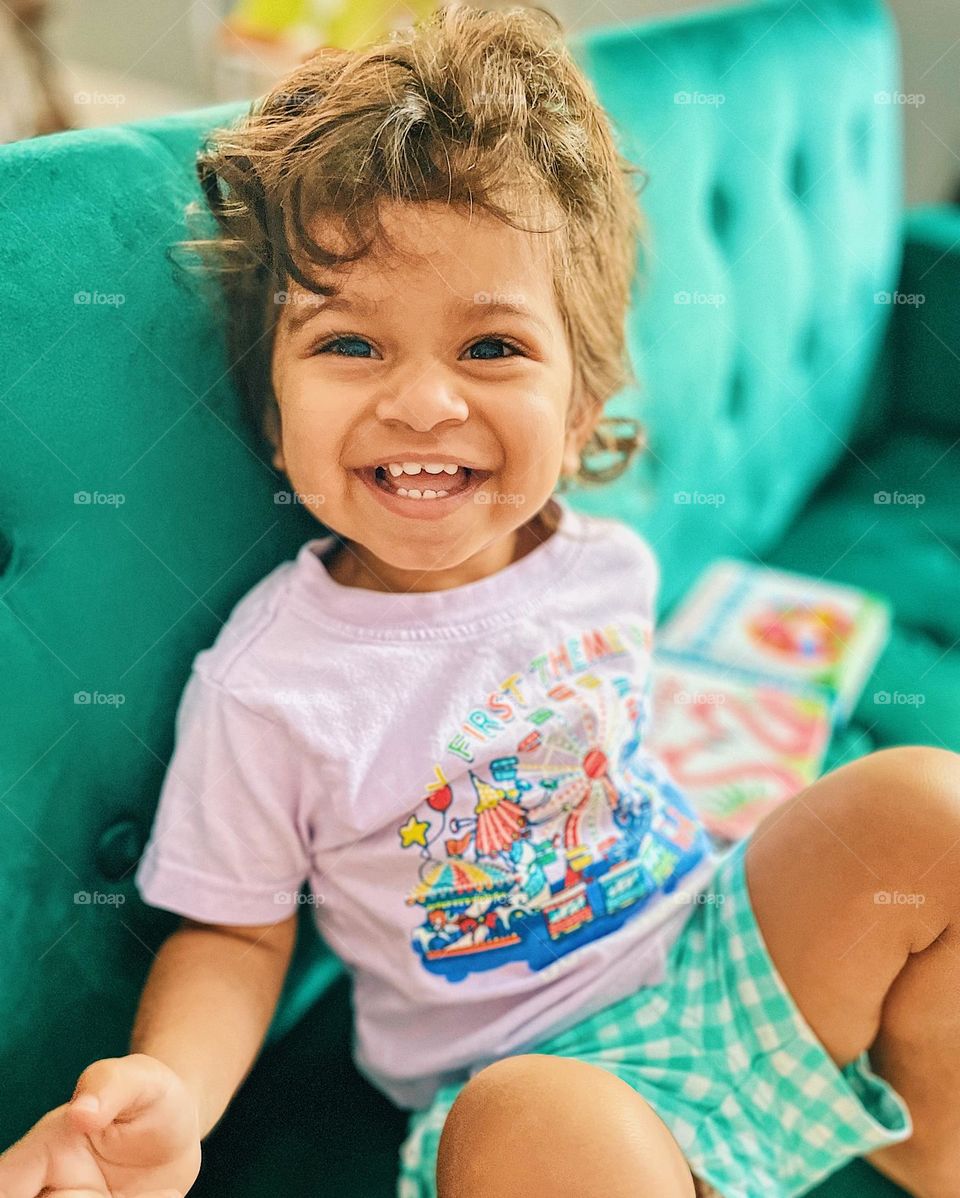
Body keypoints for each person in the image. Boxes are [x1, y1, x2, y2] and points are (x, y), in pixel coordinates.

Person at [2, 4, 959, 1196]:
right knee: (540, 1125)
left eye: (492, 348)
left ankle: (929, 1143)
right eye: (350, 345)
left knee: (933, 806)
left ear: (582, 405)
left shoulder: (602, 560)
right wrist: (172, 1091)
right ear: (270, 411)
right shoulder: (270, 684)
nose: (421, 403)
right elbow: (236, 933)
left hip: (710, 953)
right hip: (520, 1076)